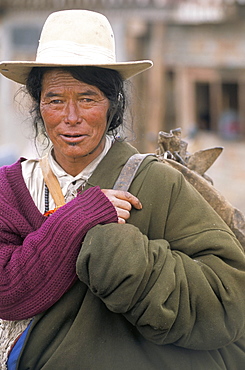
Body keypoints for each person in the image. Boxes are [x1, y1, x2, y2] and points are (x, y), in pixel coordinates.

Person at [0, 9, 244, 370]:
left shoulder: (158, 183)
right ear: (38, 105)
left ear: (112, 106)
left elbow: (229, 303)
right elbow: (8, 294)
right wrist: (79, 218)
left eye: (88, 98)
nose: (71, 117)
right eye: (55, 100)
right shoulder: (11, 189)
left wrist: (117, 254)